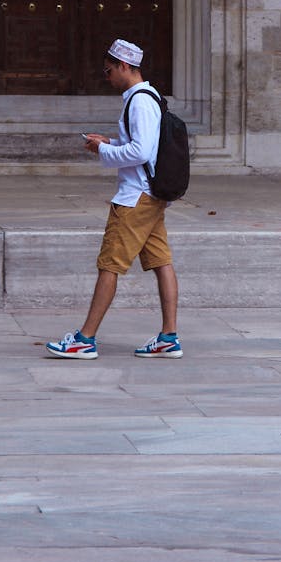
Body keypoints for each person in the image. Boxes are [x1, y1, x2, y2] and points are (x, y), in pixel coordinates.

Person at [46, 38, 182, 360]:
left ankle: (85, 339)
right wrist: (109, 141)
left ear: (124, 66)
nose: (106, 77)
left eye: (108, 71)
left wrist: (104, 150)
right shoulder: (145, 98)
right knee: (161, 262)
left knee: (109, 265)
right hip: (148, 196)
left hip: (135, 199)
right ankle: (169, 336)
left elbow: (140, 151)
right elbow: (139, 144)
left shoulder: (139, 101)